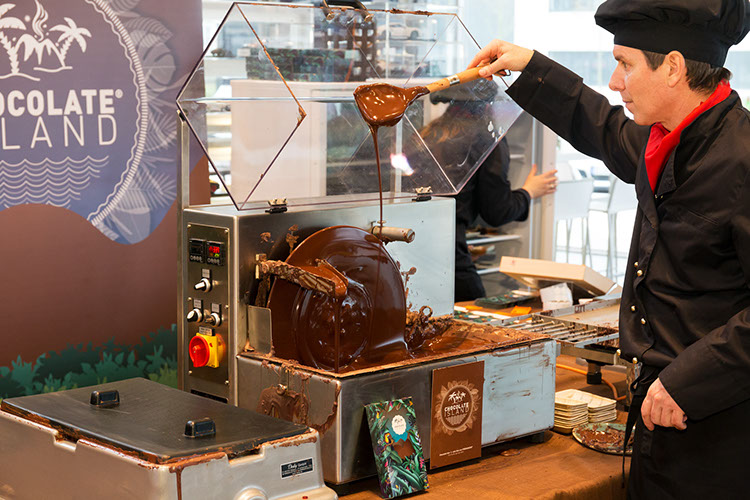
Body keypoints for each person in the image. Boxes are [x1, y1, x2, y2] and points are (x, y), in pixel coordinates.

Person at [468, 0, 750, 497]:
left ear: (673, 67)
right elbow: (597, 124)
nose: (615, 81)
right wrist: (529, 66)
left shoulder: (742, 159)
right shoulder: (665, 139)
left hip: (718, 430)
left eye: (625, 64)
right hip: (657, 417)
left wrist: (689, 382)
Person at [415, 84, 557, 302]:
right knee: (473, 305)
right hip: (449, 250)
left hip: (413, 246)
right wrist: (528, 192)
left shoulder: (429, 134)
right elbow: (496, 211)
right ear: (489, 107)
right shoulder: (486, 139)